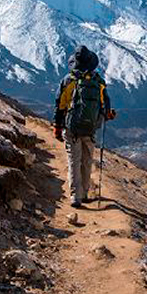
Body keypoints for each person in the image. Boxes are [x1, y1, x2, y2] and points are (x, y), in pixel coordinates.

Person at [53, 45, 115, 208]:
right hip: (90, 128)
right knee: (87, 161)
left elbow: (60, 105)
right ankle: (86, 193)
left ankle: (75, 196)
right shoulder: (98, 82)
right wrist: (107, 115)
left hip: (71, 127)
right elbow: (105, 106)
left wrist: (57, 126)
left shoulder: (68, 80)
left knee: (74, 160)